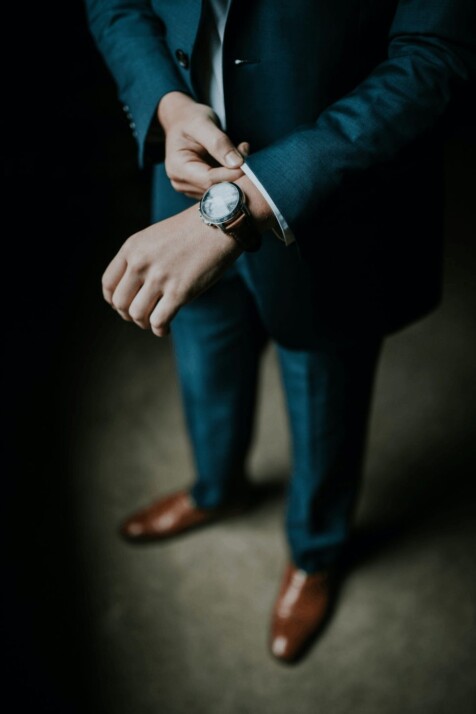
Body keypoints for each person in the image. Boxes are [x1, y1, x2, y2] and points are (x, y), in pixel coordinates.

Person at [84, 0, 475, 663]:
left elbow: (435, 55)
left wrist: (239, 207)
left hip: (333, 206)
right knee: (203, 357)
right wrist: (167, 105)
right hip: (177, 182)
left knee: (325, 390)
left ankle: (315, 554)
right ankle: (218, 489)